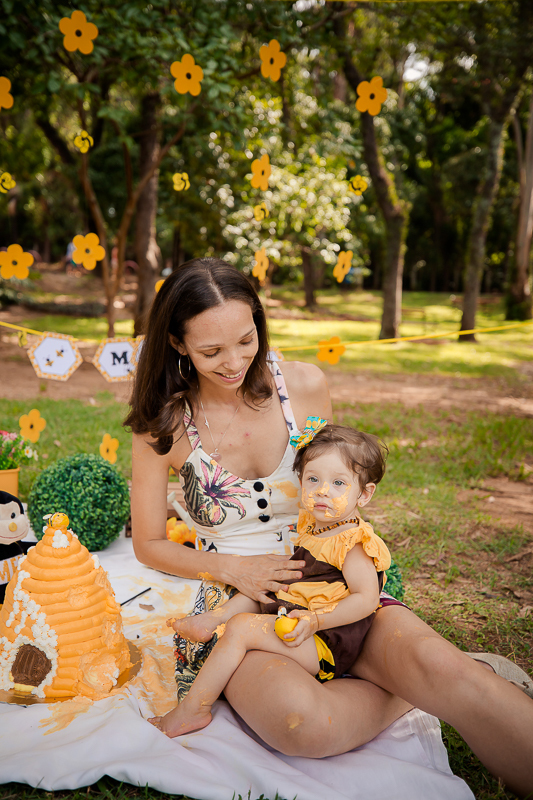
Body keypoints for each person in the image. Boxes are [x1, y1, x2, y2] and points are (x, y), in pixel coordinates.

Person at [126, 257, 533, 797]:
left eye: (246, 340)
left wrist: (349, 579)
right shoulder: (163, 426)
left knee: (451, 671)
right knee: (302, 723)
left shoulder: (305, 386)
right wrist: (237, 570)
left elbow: (340, 485)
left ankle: (422, 678)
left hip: (331, 578)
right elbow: (150, 544)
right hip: (235, 599)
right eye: (211, 351)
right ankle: (404, 688)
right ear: (178, 343)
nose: (234, 362)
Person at [149, 424, 394, 737]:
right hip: (299, 612)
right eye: (313, 479)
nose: (322, 490)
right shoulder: (317, 525)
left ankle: (193, 709)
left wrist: (316, 620)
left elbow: (366, 599)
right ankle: (214, 617)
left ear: (365, 493)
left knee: (240, 630)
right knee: (263, 587)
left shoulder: (353, 543)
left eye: (338, 483)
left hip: (327, 642)